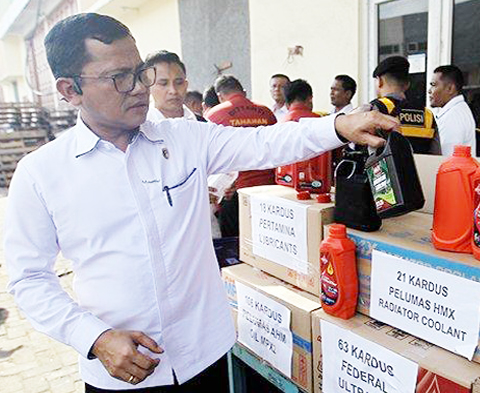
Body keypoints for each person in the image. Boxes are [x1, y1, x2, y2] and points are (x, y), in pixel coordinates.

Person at [4, 13, 398, 393]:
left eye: (140, 72)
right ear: (70, 90)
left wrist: (337, 126)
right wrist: (94, 338)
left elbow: (266, 143)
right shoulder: (41, 174)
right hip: (119, 371)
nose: (140, 87)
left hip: (204, 354)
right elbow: (29, 280)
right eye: (119, 78)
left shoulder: (185, 139)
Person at [206, 75, 277, 237]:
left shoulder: (214, 115)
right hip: (268, 189)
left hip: (234, 192)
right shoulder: (267, 113)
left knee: (235, 245)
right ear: (243, 92)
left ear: (219, 96)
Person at [370, 56, 441, 155]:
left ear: (380, 81)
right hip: (421, 170)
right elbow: (436, 155)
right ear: (407, 84)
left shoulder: (375, 109)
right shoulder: (427, 115)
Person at [429, 65, 476, 156]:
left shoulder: (453, 117)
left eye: (434, 85)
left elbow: (446, 158)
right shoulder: (458, 111)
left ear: (450, 89)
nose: (429, 91)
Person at [144, 50, 197, 121]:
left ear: (186, 84)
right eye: (163, 84)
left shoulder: (204, 125)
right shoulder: (139, 127)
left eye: (179, 83)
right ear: (148, 87)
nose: (173, 90)